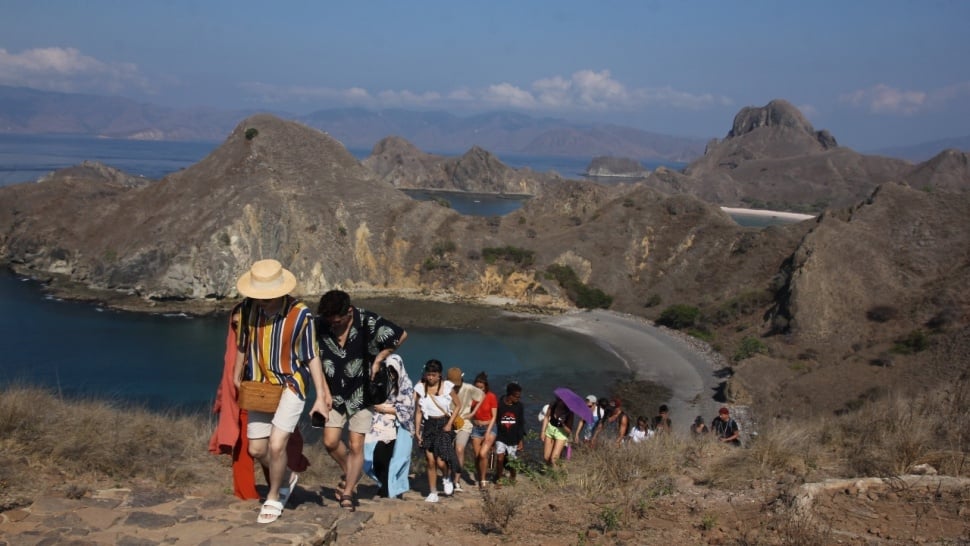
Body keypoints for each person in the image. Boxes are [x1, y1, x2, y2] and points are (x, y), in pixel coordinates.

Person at [232, 259, 328, 524]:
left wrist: (320, 396)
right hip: (259, 385)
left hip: (292, 384)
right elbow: (242, 344)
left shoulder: (301, 314)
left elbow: (312, 356)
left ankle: (275, 495)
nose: (261, 300)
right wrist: (236, 375)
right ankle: (287, 477)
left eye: (266, 296)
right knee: (257, 450)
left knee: (276, 445)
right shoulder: (248, 309)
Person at [315, 290, 407, 511]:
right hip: (332, 393)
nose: (332, 323)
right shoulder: (319, 325)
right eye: (329, 318)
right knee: (330, 441)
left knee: (357, 445)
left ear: (348, 311)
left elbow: (400, 334)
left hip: (362, 392)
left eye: (336, 319)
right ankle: (351, 471)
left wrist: (379, 359)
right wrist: (322, 392)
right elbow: (314, 358)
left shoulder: (368, 320)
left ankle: (348, 492)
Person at [362, 354, 415, 499]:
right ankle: (385, 486)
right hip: (377, 424)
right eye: (389, 370)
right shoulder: (381, 382)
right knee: (372, 458)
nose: (391, 374)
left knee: (389, 459)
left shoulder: (406, 385)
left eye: (393, 371)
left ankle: (388, 489)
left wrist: (384, 408)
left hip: (397, 428)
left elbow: (408, 409)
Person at [413, 359, 461, 502]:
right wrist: (417, 431)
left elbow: (458, 405)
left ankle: (446, 477)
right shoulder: (420, 388)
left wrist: (450, 423)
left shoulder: (447, 387)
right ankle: (433, 492)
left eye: (434, 375)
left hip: (443, 423)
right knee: (430, 460)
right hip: (428, 425)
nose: (431, 378)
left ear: (439, 375)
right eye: (429, 374)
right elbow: (418, 412)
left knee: (441, 461)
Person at [447, 366, 484, 490]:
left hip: (464, 422)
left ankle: (456, 480)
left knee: (459, 449)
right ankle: (447, 477)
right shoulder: (445, 388)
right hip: (448, 422)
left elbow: (482, 396)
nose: (455, 386)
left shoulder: (468, 388)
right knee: (447, 451)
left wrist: (473, 413)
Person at [493, 382, 525, 487]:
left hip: (513, 438)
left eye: (519, 396)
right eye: (516, 396)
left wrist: (520, 440)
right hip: (501, 436)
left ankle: (513, 476)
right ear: (509, 395)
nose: (518, 398)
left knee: (512, 460)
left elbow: (521, 423)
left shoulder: (519, 407)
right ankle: (499, 479)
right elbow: (495, 420)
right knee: (500, 458)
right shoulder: (499, 404)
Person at [469, 372, 498, 488]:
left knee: (482, 454)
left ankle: (483, 479)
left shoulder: (491, 396)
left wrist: (487, 431)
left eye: (481, 387)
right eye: (477, 387)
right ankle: (480, 474)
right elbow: (468, 411)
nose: (479, 390)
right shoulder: (472, 397)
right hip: (476, 428)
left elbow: (494, 416)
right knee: (477, 456)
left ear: (486, 387)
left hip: (489, 427)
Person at [541, 393, 574, 467]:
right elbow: (546, 417)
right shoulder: (553, 404)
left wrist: (563, 423)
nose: (558, 401)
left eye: (561, 400)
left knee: (554, 459)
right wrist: (543, 431)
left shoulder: (570, 412)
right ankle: (548, 473)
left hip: (561, 433)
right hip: (550, 429)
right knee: (546, 457)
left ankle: (556, 476)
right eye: (558, 399)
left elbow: (569, 430)